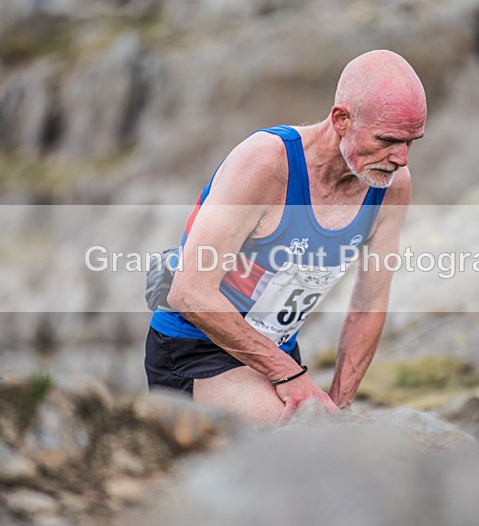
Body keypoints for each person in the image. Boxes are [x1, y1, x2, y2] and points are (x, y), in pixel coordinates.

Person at [145, 49, 427, 425]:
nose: (402, 158)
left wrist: (339, 407)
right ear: (342, 119)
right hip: (195, 346)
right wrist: (290, 375)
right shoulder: (264, 164)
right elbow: (188, 292)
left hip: (274, 350)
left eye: (412, 142)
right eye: (388, 140)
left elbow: (369, 305)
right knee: (297, 438)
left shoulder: (391, 187)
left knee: (330, 437)